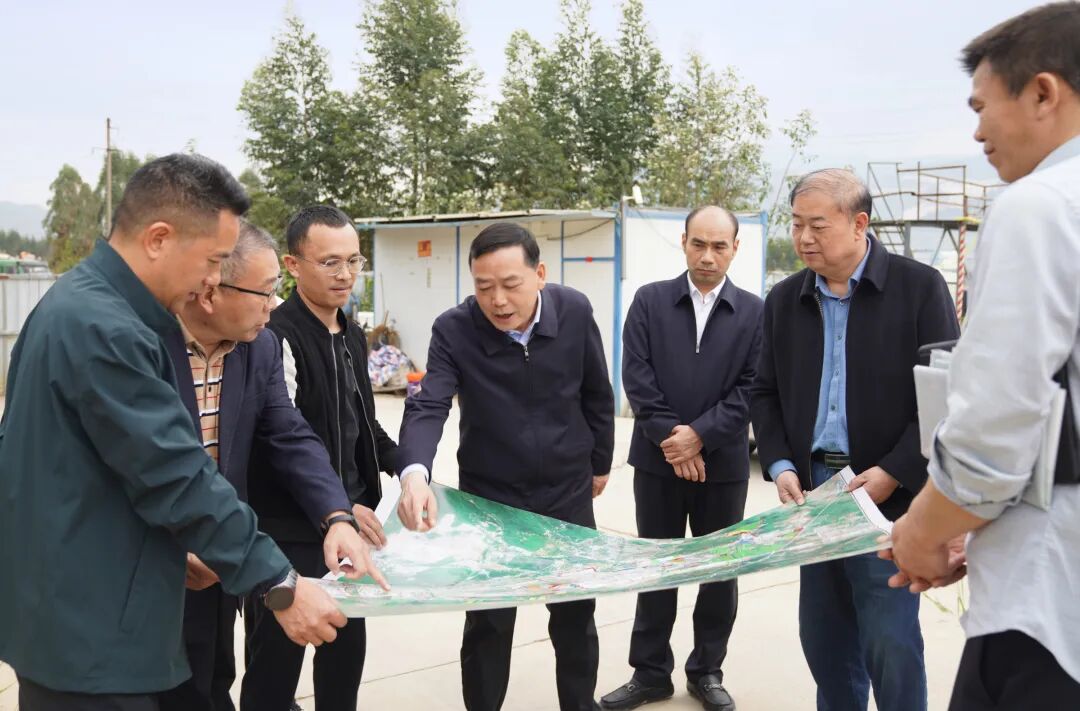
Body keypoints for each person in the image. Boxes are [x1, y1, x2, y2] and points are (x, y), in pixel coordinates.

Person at [0, 154, 377, 711]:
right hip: (92, 622)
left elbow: (285, 434)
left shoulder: (92, 306)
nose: (211, 280)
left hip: (131, 599)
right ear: (158, 239)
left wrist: (334, 515)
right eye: (213, 260)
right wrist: (280, 583)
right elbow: (174, 474)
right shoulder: (105, 327)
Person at [886, 4, 1080, 709]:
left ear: (1043, 93)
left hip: (1046, 607)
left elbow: (996, 425)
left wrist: (925, 530)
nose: (976, 132)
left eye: (981, 106)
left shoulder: (1041, 207)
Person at [749, 169, 960, 711]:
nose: (804, 238)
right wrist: (779, 463)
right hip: (815, 492)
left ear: (859, 223)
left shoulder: (919, 289)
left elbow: (945, 398)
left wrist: (895, 471)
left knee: (890, 640)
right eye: (796, 224)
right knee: (824, 638)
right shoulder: (784, 300)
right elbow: (764, 391)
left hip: (887, 495)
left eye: (817, 226)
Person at [158, 220, 380, 711]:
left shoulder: (258, 347)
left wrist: (337, 515)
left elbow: (289, 434)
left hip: (214, 555)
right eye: (264, 292)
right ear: (210, 292)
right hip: (144, 560)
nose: (272, 305)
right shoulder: (142, 344)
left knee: (210, 682)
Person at [396, 223, 615, 711]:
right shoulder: (454, 328)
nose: (497, 300)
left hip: (566, 494)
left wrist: (600, 462)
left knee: (575, 615)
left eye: (511, 284)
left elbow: (597, 392)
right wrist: (414, 474)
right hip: (489, 498)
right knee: (489, 622)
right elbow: (428, 405)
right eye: (483, 287)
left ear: (540, 274)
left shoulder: (575, 311)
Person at [601, 206, 762, 711]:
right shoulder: (650, 301)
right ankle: (650, 673)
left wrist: (701, 436)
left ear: (735, 248)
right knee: (658, 569)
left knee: (719, 572)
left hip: (723, 467)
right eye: (699, 244)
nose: (708, 256)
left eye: (719, 246)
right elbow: (636, 376)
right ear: (684, 242)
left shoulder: (756, 312)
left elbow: (753, 387)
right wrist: (674, 440)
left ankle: (707, 671)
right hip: (657, 463)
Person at [242, 205, 401, 711]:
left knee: (344, 662)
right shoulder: (272, 336)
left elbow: (364, 425)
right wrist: (337, 507)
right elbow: (277, 441)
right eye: (330, 262)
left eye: (354, 261)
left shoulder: (351, 334)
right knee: (273, 672)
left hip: (349, 535)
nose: (345, 274)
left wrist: (410, 468)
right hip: (288, 533)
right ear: (292, 265)